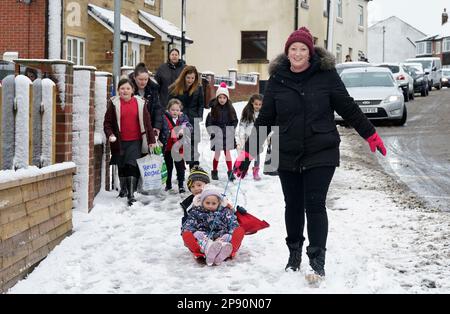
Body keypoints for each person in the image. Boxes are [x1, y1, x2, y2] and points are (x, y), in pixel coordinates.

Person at [233, 27, 387, 278]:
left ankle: (317, 258)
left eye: (302, 49)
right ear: (287, 52)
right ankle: (294, 253)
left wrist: (370, 133)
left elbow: (347, 107)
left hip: (321, 149)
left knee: (314, 204)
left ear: (310, 52)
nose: (297, 53)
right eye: (293, 49)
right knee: (292, 205)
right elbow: (266, 119)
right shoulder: (278, 78)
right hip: (287, 150)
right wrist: (248, 154)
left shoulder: (326, 75)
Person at [104, 78, 157, 206]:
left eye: (128, 88)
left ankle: (131, 193)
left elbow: (147, 123)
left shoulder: (140, 103)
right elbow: (107, 122)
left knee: (132, 165)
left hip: (136, 140)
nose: (125, 91)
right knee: (122, 165)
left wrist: (151, 140)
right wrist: (110, 134)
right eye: (122, 88)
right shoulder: (113, 103)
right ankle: (123, 190)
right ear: (118, 90)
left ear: (133, 90)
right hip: (119, 140)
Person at [181, 185, 239, 266]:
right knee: (203, 241)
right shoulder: (196, 212)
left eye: (213, 203)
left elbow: (233, 223)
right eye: (207, 203)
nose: (210, 205)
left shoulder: (225, 212)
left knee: (226, 239)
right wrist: (194, 233)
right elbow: (188, 224)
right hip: (204, 236)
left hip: (220, 236)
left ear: (219, 203)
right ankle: (210, 250)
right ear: (202, 201)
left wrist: (230, 234)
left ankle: (223, 251)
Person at [168, 65, 205, 169]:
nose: (190, 80)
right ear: (184, 76)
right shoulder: (176, 87)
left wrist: (199, 116)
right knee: (183, 145)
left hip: (194, 119)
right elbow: (170, 102)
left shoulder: (199, 88)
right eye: (188, 77)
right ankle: (182, 169)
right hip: (181, 119)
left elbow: (201, 104)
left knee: (193, 144)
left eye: (192, 78)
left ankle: (194, 168)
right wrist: (175, 114)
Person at [205, 82, 238, 181]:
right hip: (217, 135)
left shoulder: (230, 109)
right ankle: (214, 171)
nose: (222, 100)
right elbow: (209, 123)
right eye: (220, 97)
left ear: (227, 98)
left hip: (227, 134)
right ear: (217, 98)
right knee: (217, 154)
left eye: (224, 97)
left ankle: (230, 172)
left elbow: (235, 120)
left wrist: (231, 130)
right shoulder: (213, 109)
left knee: (227, 153)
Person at [159, 98, 192, 193]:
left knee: (180, 167)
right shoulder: (164, 118)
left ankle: (181, 185)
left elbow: (190, 127)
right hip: (167, 147)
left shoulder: (183, 118)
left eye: (177, 110)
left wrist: (184, 130)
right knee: (169, 167)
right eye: (173, 110)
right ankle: (168, 184)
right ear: (168, 110)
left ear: (180, 110)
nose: (175, 112)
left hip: (179, 148)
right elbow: (161, 129)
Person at [129, 63, 163, 137]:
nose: (143, 82)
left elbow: (157, 109)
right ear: (134, 77)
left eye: (146, 79)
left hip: (149, 126)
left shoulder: (153, 89)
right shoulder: (128, 89)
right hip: (132, 127)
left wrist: (157, 127)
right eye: (140, 79)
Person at [236, 94, 263, 181]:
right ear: (252, 103)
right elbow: (242, 125)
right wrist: (242, 136)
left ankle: (256, 171)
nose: (258, 106)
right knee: (245, 155)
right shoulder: (247, 112)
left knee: (256, 156)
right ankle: (243, 168)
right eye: (256, 104)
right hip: (247, 137)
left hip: (258, 138)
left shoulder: (263, 113)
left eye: (260, 104)